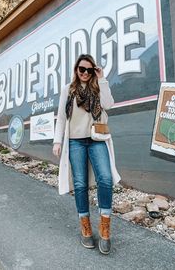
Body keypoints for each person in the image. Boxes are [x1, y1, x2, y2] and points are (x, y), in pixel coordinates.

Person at [53, 54, 120, 255]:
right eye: (81, 69)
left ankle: (105, 229)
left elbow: (109, 105)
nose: (84, 73)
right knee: (80, 184)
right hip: (75, 142)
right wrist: (57, 141)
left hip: (97, 139)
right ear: (76, 69)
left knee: (106, 179)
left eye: (89, 70)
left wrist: (102, 78)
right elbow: (62, 117)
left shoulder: (98, 87)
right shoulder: (69, 90)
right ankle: (86, 227)